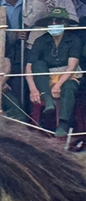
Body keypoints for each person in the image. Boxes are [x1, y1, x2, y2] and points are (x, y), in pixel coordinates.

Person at [26, 8, 81, 136]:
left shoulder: (74, 39)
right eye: (52, 22)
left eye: (58, 21)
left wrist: (58, 85)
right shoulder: (40, 40)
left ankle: (63, 124)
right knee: (38, 65)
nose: (55, 24)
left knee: (68, 87)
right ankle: (48, 101)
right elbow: (29, 67)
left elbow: (72, 66)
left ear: (65, 24)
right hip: (45, 78)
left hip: (67, 76)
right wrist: (33, 89)